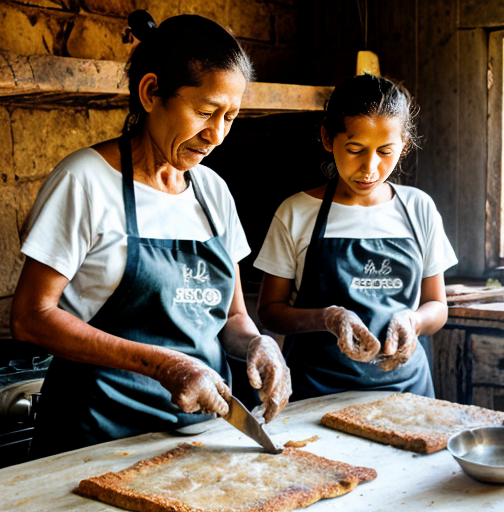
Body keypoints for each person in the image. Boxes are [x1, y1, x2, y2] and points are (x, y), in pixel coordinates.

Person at [10, 10, 291, 459]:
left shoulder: (214, 192)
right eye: (204, 112)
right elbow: (30, 316)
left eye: (230, 117)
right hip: (97, 437)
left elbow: (233, 318)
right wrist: (164, 365)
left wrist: (259, 343)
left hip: (199, 440)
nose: (217, 135)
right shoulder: (86, 180)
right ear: (150, 92)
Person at [254, 74, 457, 401]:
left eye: (385, 151)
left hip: (406, 391)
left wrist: (414, 320)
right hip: (318, 391)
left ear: (403, 145)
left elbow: (437, 305)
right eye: (355, 149)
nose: (369, 168)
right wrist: (326, 318)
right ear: (326, 137)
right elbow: (270, 311)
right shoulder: (296, 212)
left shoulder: (420, 209)